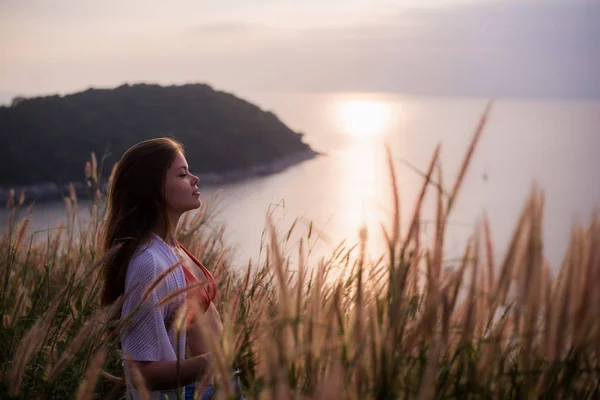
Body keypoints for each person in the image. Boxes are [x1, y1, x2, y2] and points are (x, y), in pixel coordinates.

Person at [101, 137, 236, 399]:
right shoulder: (148, 262)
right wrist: (214, 360)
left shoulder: (172, 247)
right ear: (153, 187)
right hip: (195, 390)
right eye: (183, 174)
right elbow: (142, 373)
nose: (194, 179)